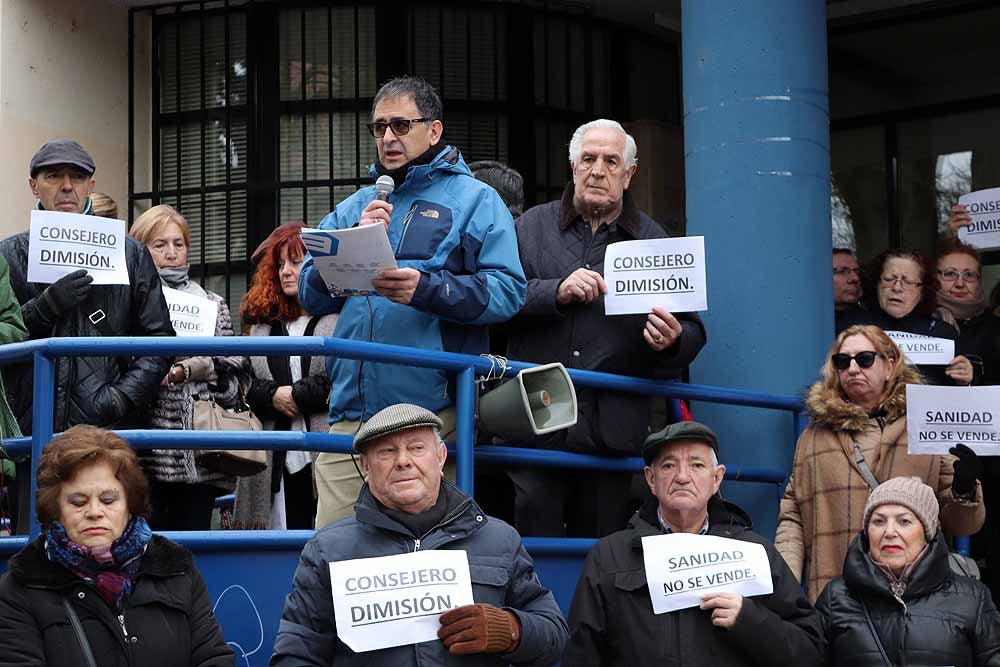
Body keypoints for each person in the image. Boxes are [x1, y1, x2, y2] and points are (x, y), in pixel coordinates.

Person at [298, 76, 526, 529]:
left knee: (427, 558)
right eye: (379, 127)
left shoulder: (477, 200)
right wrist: (353, 243)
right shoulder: (357, 205)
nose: (388, 138)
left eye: (401, 125)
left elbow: (508, 292)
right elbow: (307, 290)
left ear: (434, 130)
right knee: (335, 556)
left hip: (431, 413)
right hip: (351, 414)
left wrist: (425, 289)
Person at [504, 118, 706, 538]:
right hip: (536, 421)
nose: (598, 170)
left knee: (602, 554)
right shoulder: (530, 228)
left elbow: (694, 333)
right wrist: (553, 291)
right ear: (573, 166)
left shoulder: (657, 241)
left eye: (611, 161)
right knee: (531, 548)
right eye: (589, 159)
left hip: (610, 434)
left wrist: (671, 341)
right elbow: (497, 300)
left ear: (629, 174)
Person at [269, 403, 568, 666]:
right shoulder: (327, 550)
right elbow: (296, 653)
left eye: (416, 447)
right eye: (387, 451)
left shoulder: (499, 539)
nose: (403, 461)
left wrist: (510, 630)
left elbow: (555, 635)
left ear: (440, 458)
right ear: (365, 466)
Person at [0, 140, 174, 533]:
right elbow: (3, 340)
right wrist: (44, 309)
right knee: (36, 556)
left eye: (77, 177)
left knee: (110, 548)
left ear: (90, 184)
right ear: (33, 185)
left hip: (109, 439)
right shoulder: (8, 255)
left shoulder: (131, 255)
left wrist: (117, 398)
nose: (66, 186)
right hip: (33, 438)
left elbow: (159, 342)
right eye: (53, 176)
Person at [563, 421, 824, 666]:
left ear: (717, 479)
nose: (682, 477)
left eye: (697, 465)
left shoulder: (756, 553)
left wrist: (749, 619)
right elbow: (581, 655)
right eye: (668, 466)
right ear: (651, 480)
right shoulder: (608, 557)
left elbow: (810, 650)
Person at [775, 324, 985, 601]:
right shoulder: (813, 436)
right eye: (842, 361)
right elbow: (793, 518)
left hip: (915, 599)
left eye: (864, 359)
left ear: (890, 365)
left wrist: (964, 488)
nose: (852, 369)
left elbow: (962, 526)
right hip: (835, 597)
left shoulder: (924, 424)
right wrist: (785, 588)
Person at [0, 425, 234, 666]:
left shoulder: (176, 570)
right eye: (78, 502)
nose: (94, 512)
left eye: (108, 499)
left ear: (130, 503)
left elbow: (213, 658)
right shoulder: (20, 588)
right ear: (55, 508)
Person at [129, 204, 244, 530]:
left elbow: (236, 372)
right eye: (160, 244)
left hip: (199, 452)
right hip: (144, 449)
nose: (171, 253)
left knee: (192, 548)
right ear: (140, 248)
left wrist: (197, 369)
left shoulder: (212, 303)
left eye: (178, 244)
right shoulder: (127, 301)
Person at [817, 476, 1000, 666]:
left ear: (927, 532)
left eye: (904, 521)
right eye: (878, 521)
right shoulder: (836, 597)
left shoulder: (972, 598)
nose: (889, 532)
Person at [234, 223, 337, 530]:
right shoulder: (262, 326)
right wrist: (271, 396)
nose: (286, 272)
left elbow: (342, 376)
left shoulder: (340, 319)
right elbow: (242, 382)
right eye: (280, 264)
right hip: (273, 458)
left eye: (296, 262)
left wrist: (297, 395)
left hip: (321, 448)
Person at [837, 248, 972, 385]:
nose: (897, 287)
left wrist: (964, 379)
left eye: (907, 282)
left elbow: (954, 394)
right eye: (889, 279)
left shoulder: (943, 333)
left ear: (922, 290)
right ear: (876, 284)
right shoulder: (851, 326)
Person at [935, 239, 1000, 385]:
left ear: (979, 281)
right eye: (950, 274)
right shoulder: (918, 321)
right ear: (935, 277)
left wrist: (974, 379)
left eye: (969, 275)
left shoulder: (995, 327)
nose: (960, 283)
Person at [833, 248, 862, 329]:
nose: (855, 278)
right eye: (842, 271)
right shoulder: (807, 321)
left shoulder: (873, 325)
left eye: (857, 272)